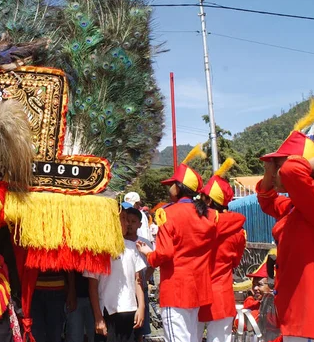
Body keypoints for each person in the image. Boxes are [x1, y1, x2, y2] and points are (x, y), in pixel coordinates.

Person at [256, 99, 314, 342]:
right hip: (294, 318)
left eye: (277, 165)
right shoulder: (294, 208)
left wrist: (305, 165)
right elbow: (267, 200)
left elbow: (291, 173)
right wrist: (269, 172)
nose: (276, 172)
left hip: (313, 321)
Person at [137, 144, 216, 342]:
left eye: (172, 184)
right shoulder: (209, 216)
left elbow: (164, 253)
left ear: (178, 188)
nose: (168, 187)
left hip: (176, 290)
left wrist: (148, 253)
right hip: (198, 289)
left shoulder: (168, 213)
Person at [197, 158, 246, 342]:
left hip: (196, 293)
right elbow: (235, 262)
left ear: (208, 200)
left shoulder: (196, 225)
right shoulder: (238, 231)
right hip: (222, 295)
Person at [85, 208, 146, 342]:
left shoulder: (132, 247)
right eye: (123, 219)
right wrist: (98, 318)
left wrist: (141, 306)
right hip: (108, 311)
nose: (127, 223)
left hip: (130, 310)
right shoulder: (98, 250)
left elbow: (138, 280)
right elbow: (92, 286)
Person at [123, 206, 153, 342]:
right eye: (127, 220)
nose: (129, 224)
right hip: (124, 289)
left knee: (140, 326)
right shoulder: (120, 243)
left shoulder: (144, 243)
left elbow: (152, 263)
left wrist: (145, 279)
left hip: (140, 288)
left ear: (140, 224)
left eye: (133, 221)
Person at [31, 270, 68, 342]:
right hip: (34, 289)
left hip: (56, 288)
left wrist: (72, 290)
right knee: (37, 334)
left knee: (55, 333)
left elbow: (70, 265)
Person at [65, 272, 95, 342]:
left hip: (97, 297)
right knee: (74, 335)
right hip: (76, 295)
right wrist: (71, 291)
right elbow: (69, 266)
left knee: (96, 335)